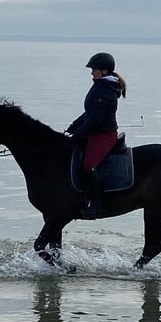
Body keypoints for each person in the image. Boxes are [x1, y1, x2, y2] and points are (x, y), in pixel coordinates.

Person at [66, 52, 127, 219]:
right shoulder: (100, 85)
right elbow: (89, 112)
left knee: (88, 166)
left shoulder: (106, 90)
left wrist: (79, 134)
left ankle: (97, 204)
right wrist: (74, 126)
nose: (91, 72)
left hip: (104, 135)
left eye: (94, 69)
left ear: (104, 70)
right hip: (95, 131)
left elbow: (95, 119)